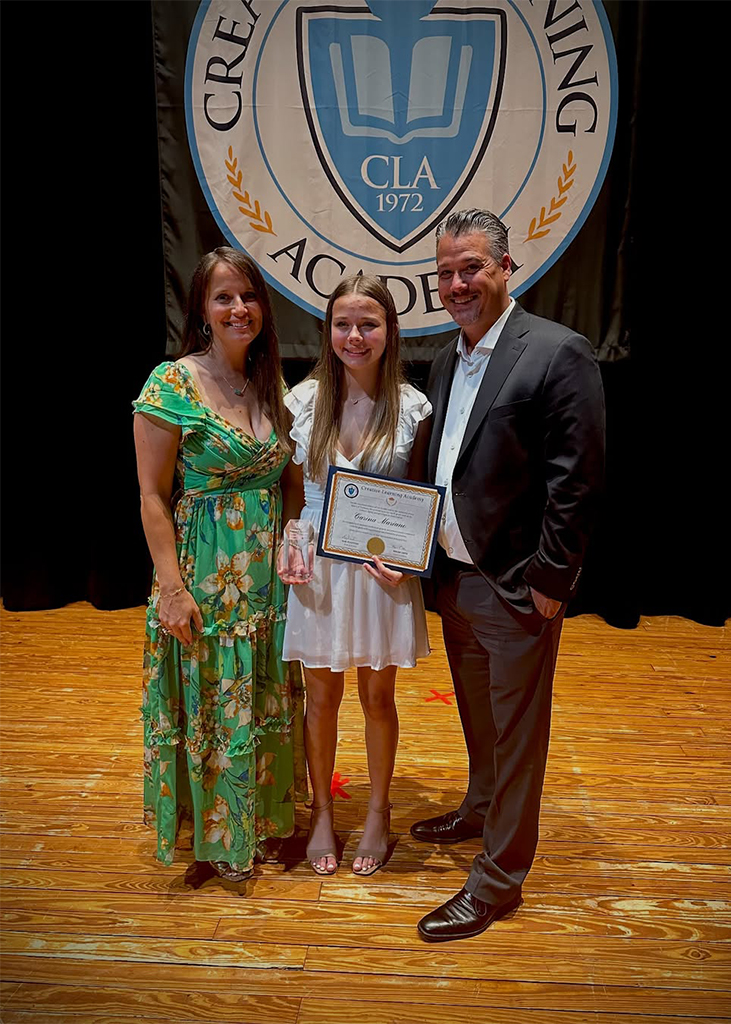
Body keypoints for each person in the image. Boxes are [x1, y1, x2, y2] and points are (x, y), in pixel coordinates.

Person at [410, 210, 605, 941]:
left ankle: (497, 881)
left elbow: (577, 481)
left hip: (518, 584)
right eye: (447, 272)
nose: (457, 284)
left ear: (504, 268)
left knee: (519, 732)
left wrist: (553, 578)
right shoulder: (441, 356)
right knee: (479, 717)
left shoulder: (559, 353)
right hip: (456, 577)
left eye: (472, 269)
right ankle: (479, 808)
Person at [133, 247, 306, 882]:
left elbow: (291, 478)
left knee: (260, 693)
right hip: (204, 575)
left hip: (267, 581)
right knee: (212, 696)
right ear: (203, 310)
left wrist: (293, 535)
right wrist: (172, 589)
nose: (239, 309)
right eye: (224, 297)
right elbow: (152, 495)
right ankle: (218, 831)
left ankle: (259, 820)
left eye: (249, 297)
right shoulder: (171, 382)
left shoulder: (270, 382)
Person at [279, 275, 431, 877]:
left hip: (381, 573)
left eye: (368, 323)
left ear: (390, 330)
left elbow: (420, 498)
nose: (355, 335)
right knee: (320, 698)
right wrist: (290, 540)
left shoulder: (414, 407)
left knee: (377, 695)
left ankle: (378, 814)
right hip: (317, 568)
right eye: (343, 323)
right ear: (328, 330)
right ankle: (322, 815)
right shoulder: (304, 402)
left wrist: (409, 558)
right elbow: (292, 496)